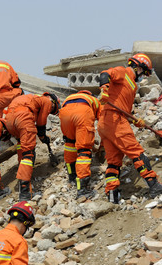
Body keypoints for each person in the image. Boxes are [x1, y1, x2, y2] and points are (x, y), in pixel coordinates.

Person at [98, 53, 162, 202]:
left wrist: (135, 121)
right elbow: (105, 74)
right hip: (114, 120)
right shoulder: (124, 72)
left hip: (108, 122)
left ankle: (112, 196)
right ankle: (154, 186)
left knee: (114, 161)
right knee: (137, 153)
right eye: (144, 73)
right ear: (138, 67)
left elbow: (123, 108)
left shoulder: (131, 86)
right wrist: (104, 89)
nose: (143, 77)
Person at [4, 93, 61, 200]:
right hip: (23, 117)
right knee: (28, 154)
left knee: (22, 148)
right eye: (52, 109)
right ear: (53, 102)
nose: (50, 110)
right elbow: (41, 122)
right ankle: (25, 192)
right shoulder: (47, 101)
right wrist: (43, 136)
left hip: (9, 121)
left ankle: (22, 177)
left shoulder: (31, 98)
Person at [59, 90, 101, 199]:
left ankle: (71, 176)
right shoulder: (93, 100)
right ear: (89, 94)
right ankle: (82, 188)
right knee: (84, 150)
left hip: (64, 113)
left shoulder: (70, 97)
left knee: (70, 143)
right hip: (82, 113)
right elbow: (102, 119)